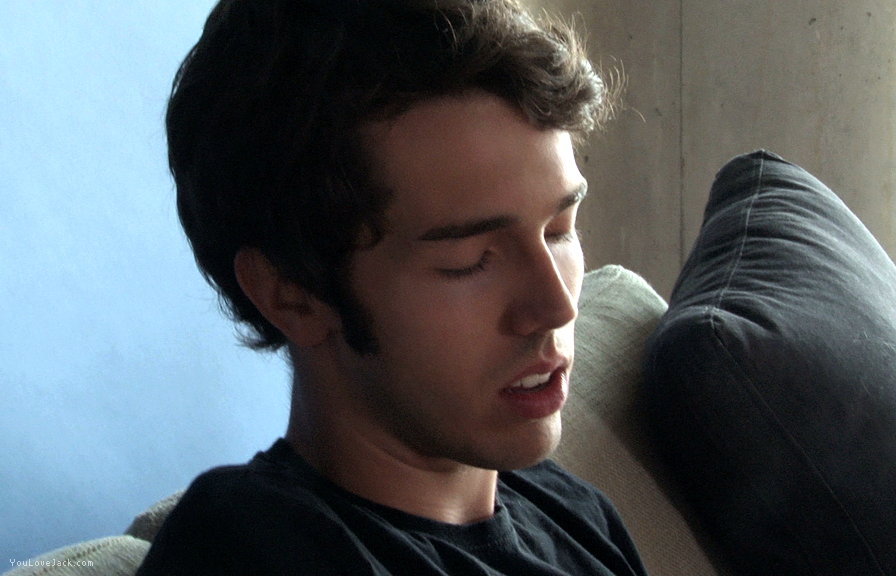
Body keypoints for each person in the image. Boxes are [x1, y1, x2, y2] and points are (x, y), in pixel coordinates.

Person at [136, 0, 647, 574]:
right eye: (469, 260)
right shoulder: (246, 546)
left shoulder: (573, 512)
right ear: (291, 293)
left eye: (559, 230)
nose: (556, 305)